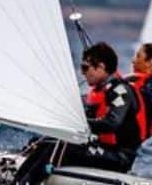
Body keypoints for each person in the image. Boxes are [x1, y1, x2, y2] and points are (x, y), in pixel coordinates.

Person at [11, 42, 142, 184]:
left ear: (101, 67)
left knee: (64, 146)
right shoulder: (101, 91)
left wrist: (77, 123)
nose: (83, 73)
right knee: (47, 142)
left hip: (118, 157)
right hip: (103, 149)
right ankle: (17, 181)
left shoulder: (120, 91)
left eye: (85, 68)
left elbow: (112, 123)